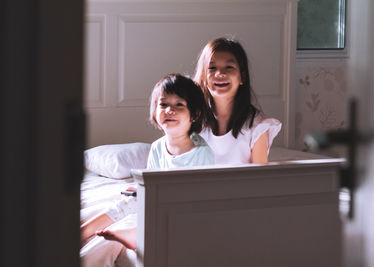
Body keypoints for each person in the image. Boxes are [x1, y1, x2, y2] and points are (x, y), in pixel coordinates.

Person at [81, 73, 215, 255]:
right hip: (158, 203)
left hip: (187, 211)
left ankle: (136, 234)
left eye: (179, 105)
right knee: (130, 203)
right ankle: (85, 230)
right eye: (163, 104)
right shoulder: (158, 147)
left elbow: (202, 202)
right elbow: (148, 189)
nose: (169, 110)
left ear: (194, 115)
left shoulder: (201, 153)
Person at [193, 37, 282, 164]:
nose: (220, 73)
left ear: (242, 77)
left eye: (229, 67)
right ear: (203, 77)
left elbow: (260, 177)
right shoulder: (193, 121)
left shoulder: (257, 126)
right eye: (212, 68)